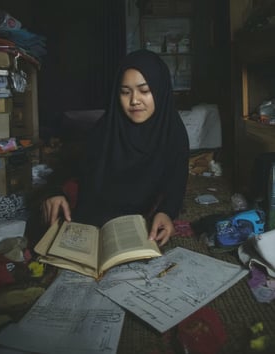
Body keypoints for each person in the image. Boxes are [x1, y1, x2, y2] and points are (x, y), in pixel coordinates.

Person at [42, 49, 190, 246]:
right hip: (94, 223)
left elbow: (176, 185)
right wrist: (54, 192)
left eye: (144, 91)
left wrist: (166, 212)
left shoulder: (173, 133)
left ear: (160, 90)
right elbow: (67, 167)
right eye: (125, 92)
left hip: (141, 226)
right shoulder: (105, 130)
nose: (134, 100)